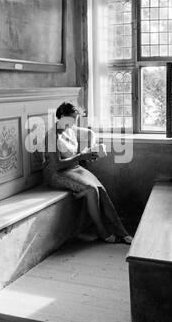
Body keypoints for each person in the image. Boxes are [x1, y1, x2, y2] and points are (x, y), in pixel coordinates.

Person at [42, 102, 133, 244]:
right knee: (91, 190)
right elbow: (56, 164)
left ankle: (122, 231)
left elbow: (76, 151)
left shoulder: (70, 130)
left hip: (73, 167)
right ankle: (102, 231)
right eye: (71, 118)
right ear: (61, 117)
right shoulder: (52, 136)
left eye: (75, 118)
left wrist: (88, 155)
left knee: (101, 190)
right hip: (55, 173)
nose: (74, 122)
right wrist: (80, 157)